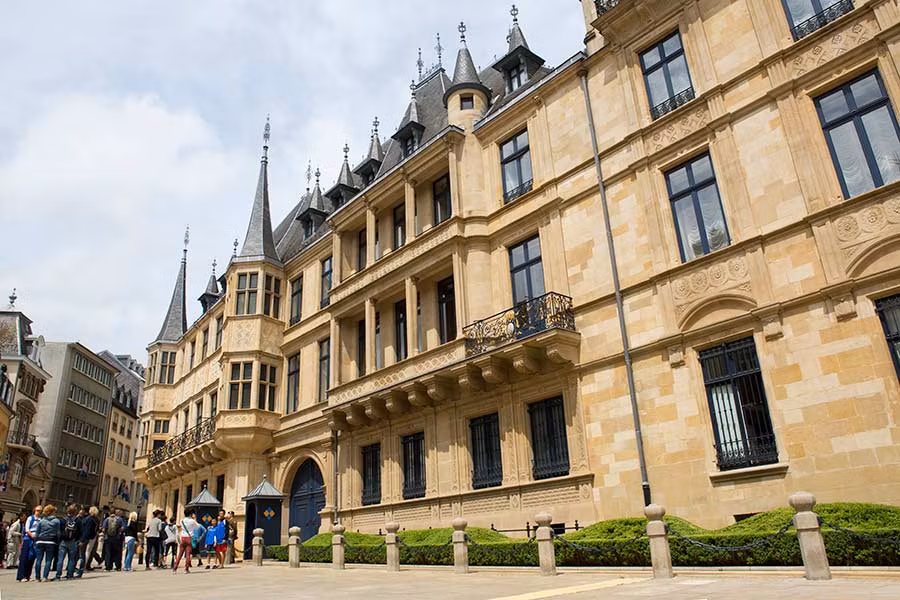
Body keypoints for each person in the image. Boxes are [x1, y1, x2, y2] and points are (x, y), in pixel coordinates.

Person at [33, 505, 60, 582]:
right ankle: (45, 577)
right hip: (50, 541)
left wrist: (35, 541)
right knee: (48, 560)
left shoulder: (41, 521)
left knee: (38, 560)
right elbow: (58, 533)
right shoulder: (56, 521)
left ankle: (37, 577)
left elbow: (37, 532)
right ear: (52, 512)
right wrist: (57, 541)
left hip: (40, 541)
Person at [55, 504, 81, 580]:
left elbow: (59, 531)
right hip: (73, 541)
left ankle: (58, 575)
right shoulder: (77, 520)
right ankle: (69, 574)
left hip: (63, 541)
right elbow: (80, 531)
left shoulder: (63, 520)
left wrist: (59, 540)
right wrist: (78, 540)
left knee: (60, 559)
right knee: (72, 559)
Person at [16, 505, 41, 582]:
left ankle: (28, 575)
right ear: (34, 511)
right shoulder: (30, 518)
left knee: (32, 558)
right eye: (37, 510)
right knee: (24, 558)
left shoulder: (40, 520)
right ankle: (22, 575)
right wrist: (32, 535)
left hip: (35, 540)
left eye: (40, 511)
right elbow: (27, 529)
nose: (38, 512)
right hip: (28, 539)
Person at [173, 509, 199, 574]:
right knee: (188, 554)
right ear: (191, 514)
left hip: (183, 537)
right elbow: (197, 526)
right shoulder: (192, 521)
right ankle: (186, 569)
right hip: (189, 538)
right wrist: (194, 519)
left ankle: (175, 568)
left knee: (180, 554)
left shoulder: (182, 520)